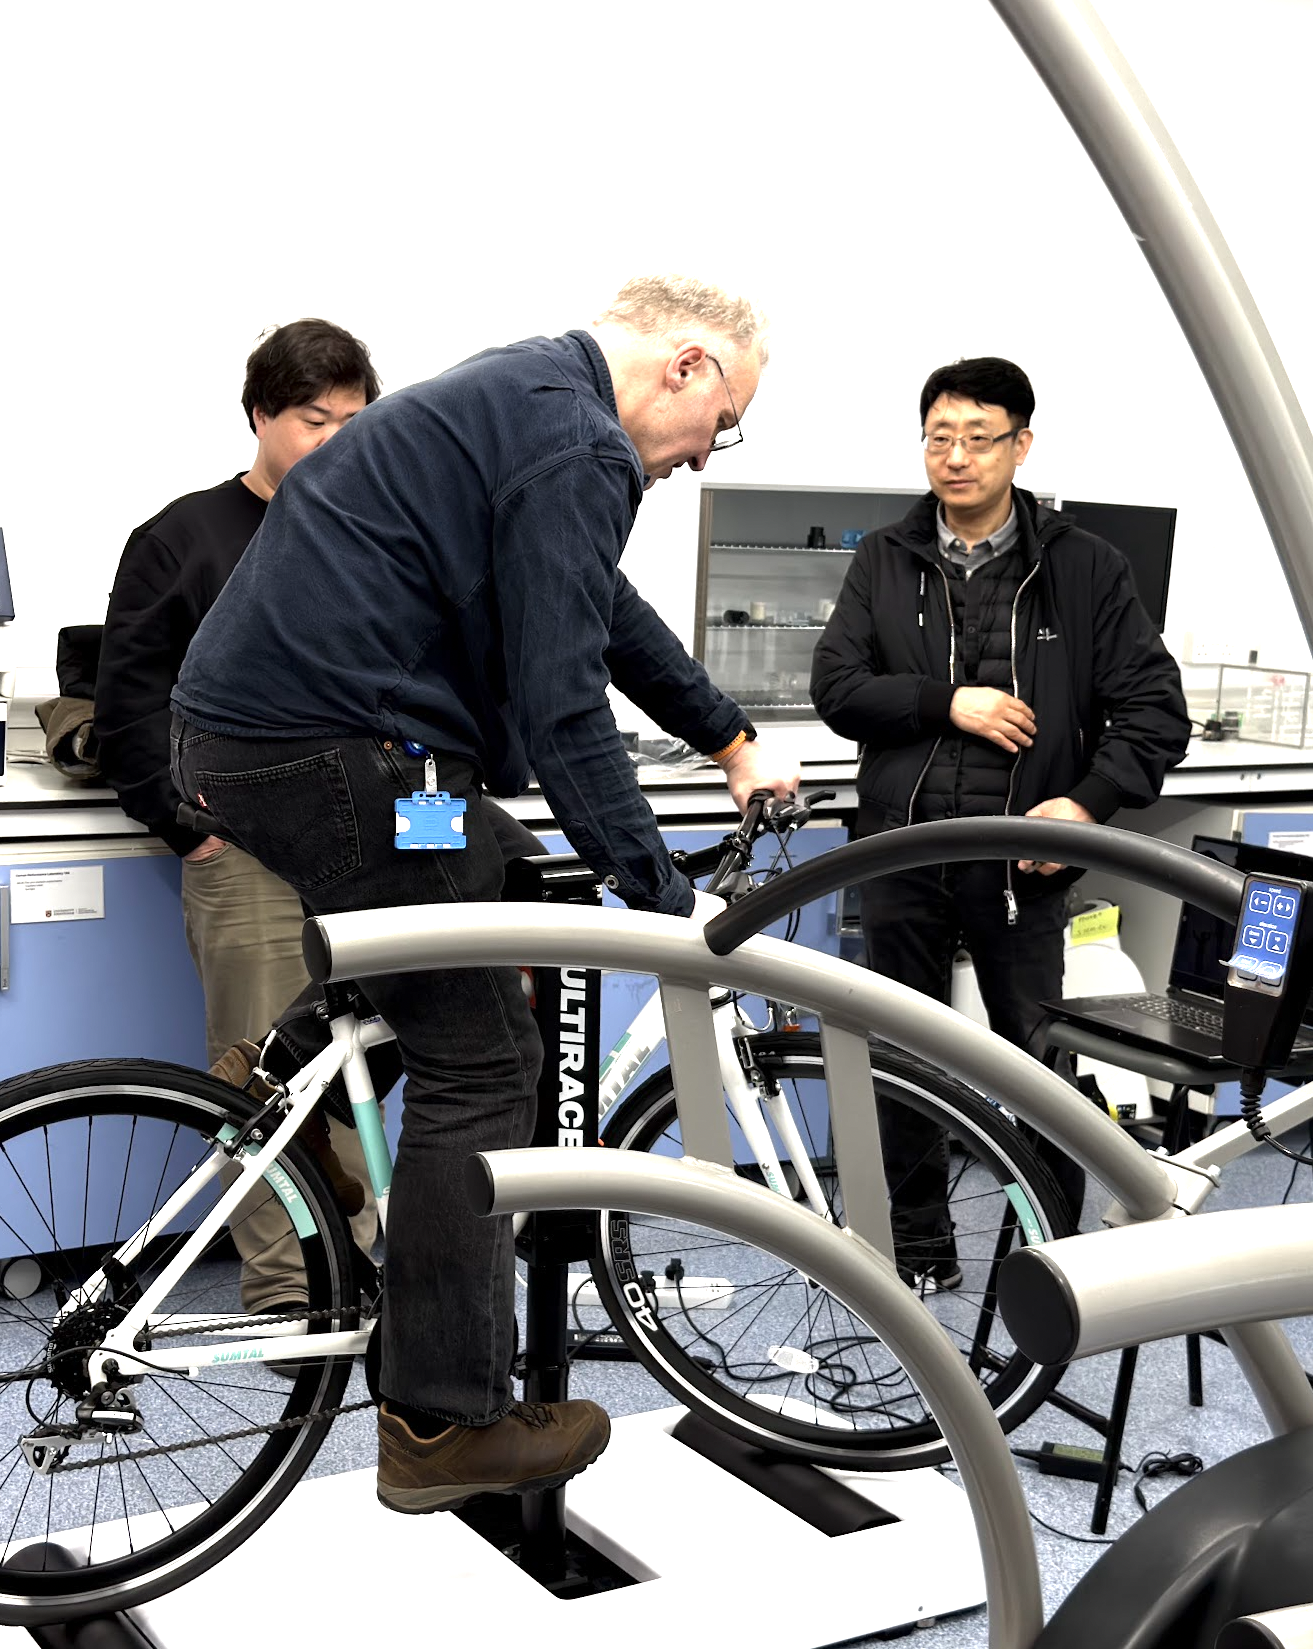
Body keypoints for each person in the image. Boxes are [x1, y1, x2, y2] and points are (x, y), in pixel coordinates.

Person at [171, 275, 799, 1515]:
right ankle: (440, 1423)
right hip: (333, 752)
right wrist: (670, 905)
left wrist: (725, 736)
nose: (698, 459)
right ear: (685, 367)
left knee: (498, 864)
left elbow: (596, 608)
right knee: (484, 1065)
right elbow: (564, 704)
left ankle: (285, 1093)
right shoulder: (577, 440)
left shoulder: (528, 390)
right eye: (719, 427)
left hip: (268, 741)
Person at [810, 356, 1188, 1250]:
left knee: (1035, 1064)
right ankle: (916, 1245)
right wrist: (947, 701)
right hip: (900, 852)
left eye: (978, 438)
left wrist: (1086, 807)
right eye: (940, 437)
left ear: (1021, 445)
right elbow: (838, 688)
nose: (956, 457)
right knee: (899, 1057)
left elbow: (1154, 711)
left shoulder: (1085, 569)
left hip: (1024, 860)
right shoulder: (885, 558)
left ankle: (1050, 1250)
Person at [92, 317, 386, 1317]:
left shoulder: (373, 536)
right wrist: (186, 828)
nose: (336, 441)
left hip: (361, 849)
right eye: (314, 419)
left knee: (356, 1067)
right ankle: (286, 1290)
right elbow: (126, 700)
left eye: (355, 420)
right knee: (263, 1079)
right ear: (260, 414)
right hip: (245, 854)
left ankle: (363, 1271)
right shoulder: (182, 538)